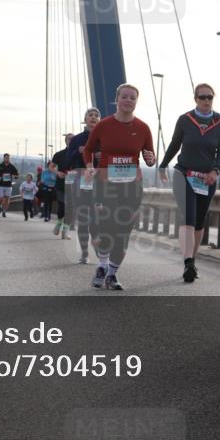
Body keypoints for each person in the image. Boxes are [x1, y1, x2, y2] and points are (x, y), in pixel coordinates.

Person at [83, 84, 155, 291]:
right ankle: (102, 266)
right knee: (106, 225)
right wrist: (89, 166)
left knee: (123, 230)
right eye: (124, 97)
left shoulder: (143, 128)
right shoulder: (104, 125)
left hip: (132, 186)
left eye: (132, 98)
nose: (128, 100)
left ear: (136, 102)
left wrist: (151, 158)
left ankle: (112, 274)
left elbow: (149, 156)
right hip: (106, 183)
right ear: (117, 99)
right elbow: (88, 149)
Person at [159, 83, 220, 283]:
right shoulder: (185, 120)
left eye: (210, 97)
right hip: (183, 174)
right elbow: (174, 144)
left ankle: (192, 260)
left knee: (199, 221)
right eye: (202, 97)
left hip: (206, 178)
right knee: (188, 216)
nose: (206, 101)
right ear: (195, 99)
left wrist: (216, 170)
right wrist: (163, 165)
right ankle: (188, 262)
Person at [65, 108, 101, 264]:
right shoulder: (77, 139)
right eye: (90, 115)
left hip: (99, 181)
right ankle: (85, 253)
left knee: (96, 220)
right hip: (80, 180)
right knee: (83, 218)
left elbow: (112, 159)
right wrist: (79, 152)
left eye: (96, 116)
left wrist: (103, 155)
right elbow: (67, 161)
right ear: (85, 119)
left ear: (99, 120)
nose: (93, 118)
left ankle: (100, 253)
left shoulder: (104, 138)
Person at [52, 135, 73, 238]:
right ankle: (59, 224)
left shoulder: (79, 154)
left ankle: (65, 230)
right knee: (62, 207)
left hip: (75, 185)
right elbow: (51, 166)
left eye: (74, 139)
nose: (72, 140)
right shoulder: (59, 154)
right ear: (66, 141)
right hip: (61, 184)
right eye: (69, 139)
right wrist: (57, 172)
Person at [0, 153, 18, 217]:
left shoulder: (11, 166)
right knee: (1, 198)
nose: (7, 159)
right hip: (0, 185)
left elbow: (17, 174)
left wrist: (15, 176)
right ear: (4, 158)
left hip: (8, 185)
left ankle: (4, 211)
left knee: (7, 198)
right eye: (6, 158)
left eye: (8, 158)